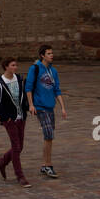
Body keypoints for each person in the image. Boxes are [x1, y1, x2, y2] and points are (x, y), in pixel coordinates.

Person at [26, 44, 66, 178]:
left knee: (48, 138)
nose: (52, 55)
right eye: (49, 53)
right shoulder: (35, 69)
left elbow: (57, 90)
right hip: (40, 107)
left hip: (50, 107)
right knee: (48, 134)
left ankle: (44, 165)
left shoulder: (53, 71)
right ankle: (48, 165)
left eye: (52, 53)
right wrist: (31, 105)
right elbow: (28, 88)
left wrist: (63, 107)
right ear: (42, 55)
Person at [0, 57, 30, 187]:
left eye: (16, 65)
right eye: (13, 65)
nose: (16, 67)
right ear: (6, 67)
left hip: (21, 117)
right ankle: (20, 176)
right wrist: (5, 118)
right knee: (16, 146)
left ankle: (2, 161)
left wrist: (27, 108)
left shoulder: (19, 79)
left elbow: (24, 95)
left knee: (20, 146)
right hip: (9, 120)